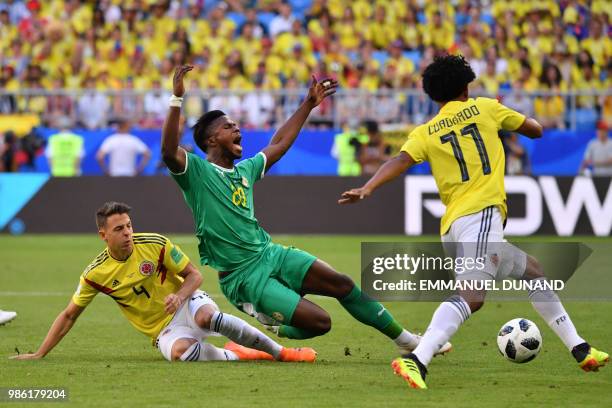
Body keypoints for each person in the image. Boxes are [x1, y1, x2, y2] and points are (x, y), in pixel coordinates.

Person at [340, 55, 608, 389]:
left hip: (453, 227)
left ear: (433, 95)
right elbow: (536, 131)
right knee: (473, 296)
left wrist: (368, 187)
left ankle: (580, 349)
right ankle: (417, 360)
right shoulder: (485, 108)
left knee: (534, 271)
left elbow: (399, 160)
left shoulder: (425, 132)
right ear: (467, 86)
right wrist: (502, 111)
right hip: (481, 216)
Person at [161, 65, 451, 357]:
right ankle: (272, 324)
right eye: (228, 126)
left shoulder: (246, 170)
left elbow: (279, 143)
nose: (237, 129)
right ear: (211, 140)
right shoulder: (196, 172)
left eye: (236, 125)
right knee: (321, 323)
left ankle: (407, 341)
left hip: (270, 254)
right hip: (243, 277)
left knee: (343, 284)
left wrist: (308, 105)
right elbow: (168, 151)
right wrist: (176, 98)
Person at [11, 202, 315, 363]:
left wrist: (180, 295)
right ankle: (241, 353)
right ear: (103, 235)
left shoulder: (155, 243)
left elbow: (195, 275)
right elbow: (68, 316)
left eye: (129, 226)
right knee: (182, 354)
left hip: (188, 304)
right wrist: (40, 353)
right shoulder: (95, 274)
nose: (128, 233)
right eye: (119, 229)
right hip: (163, 330)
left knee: (210, 317)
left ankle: (282, 353)